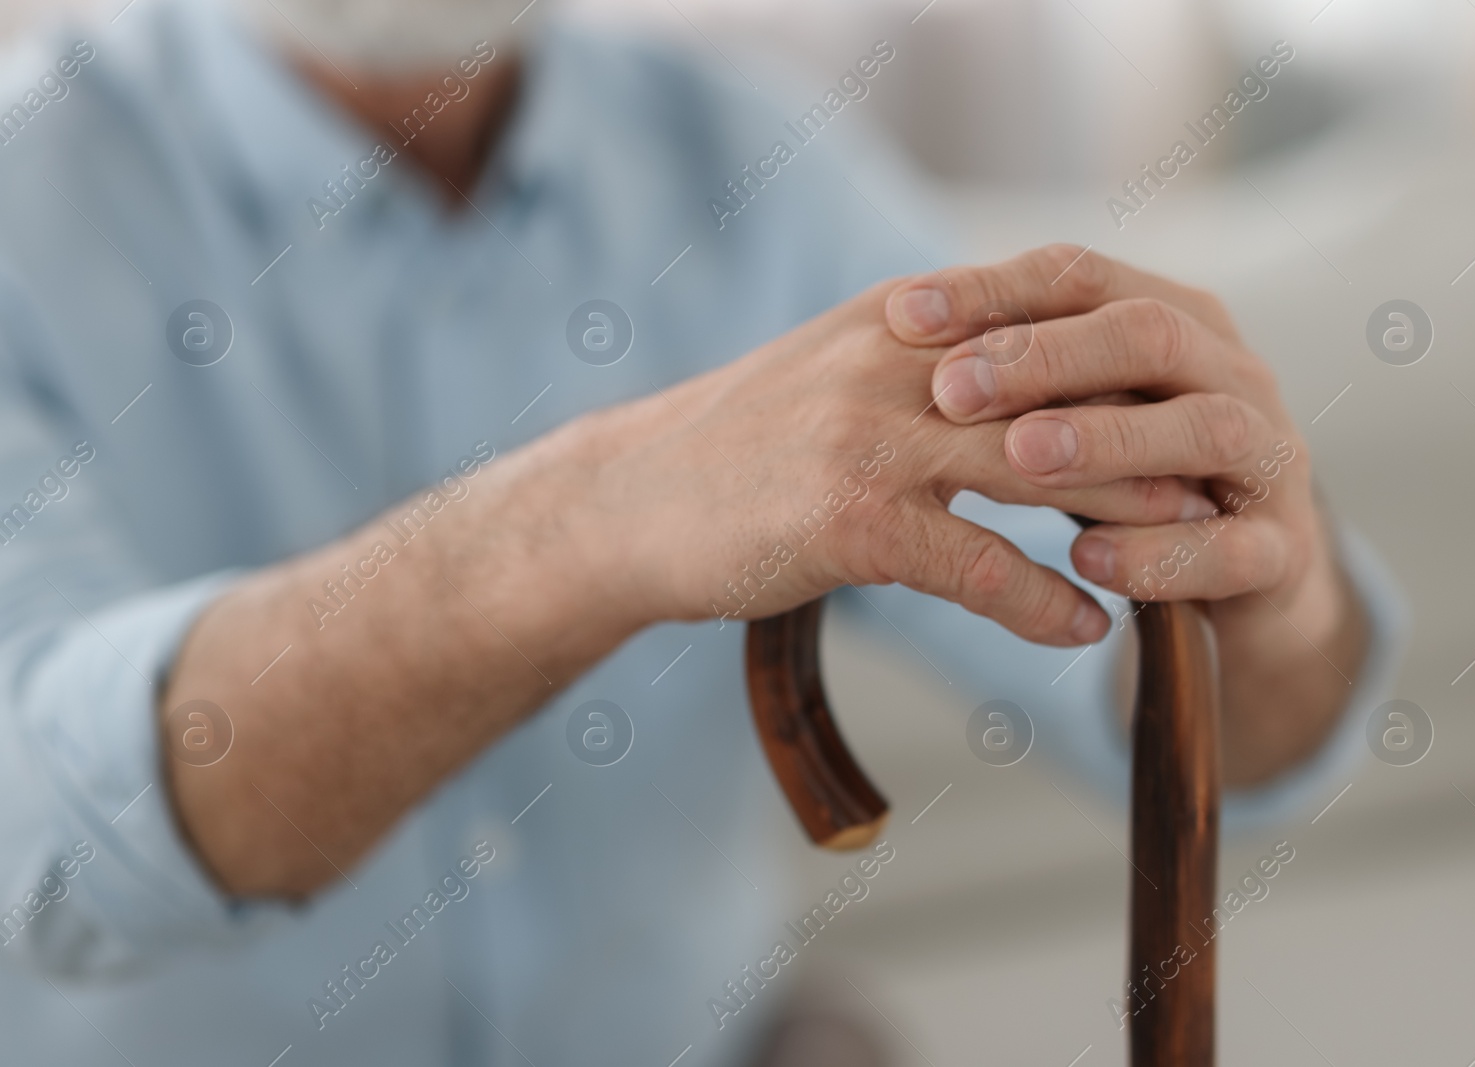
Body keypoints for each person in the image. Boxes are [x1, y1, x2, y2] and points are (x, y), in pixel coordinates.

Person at [0, 0, 1403, 1063]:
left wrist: (1270, 590)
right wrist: (599, 518)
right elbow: (61, 835)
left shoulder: (758, 165)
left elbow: (1199, 718)